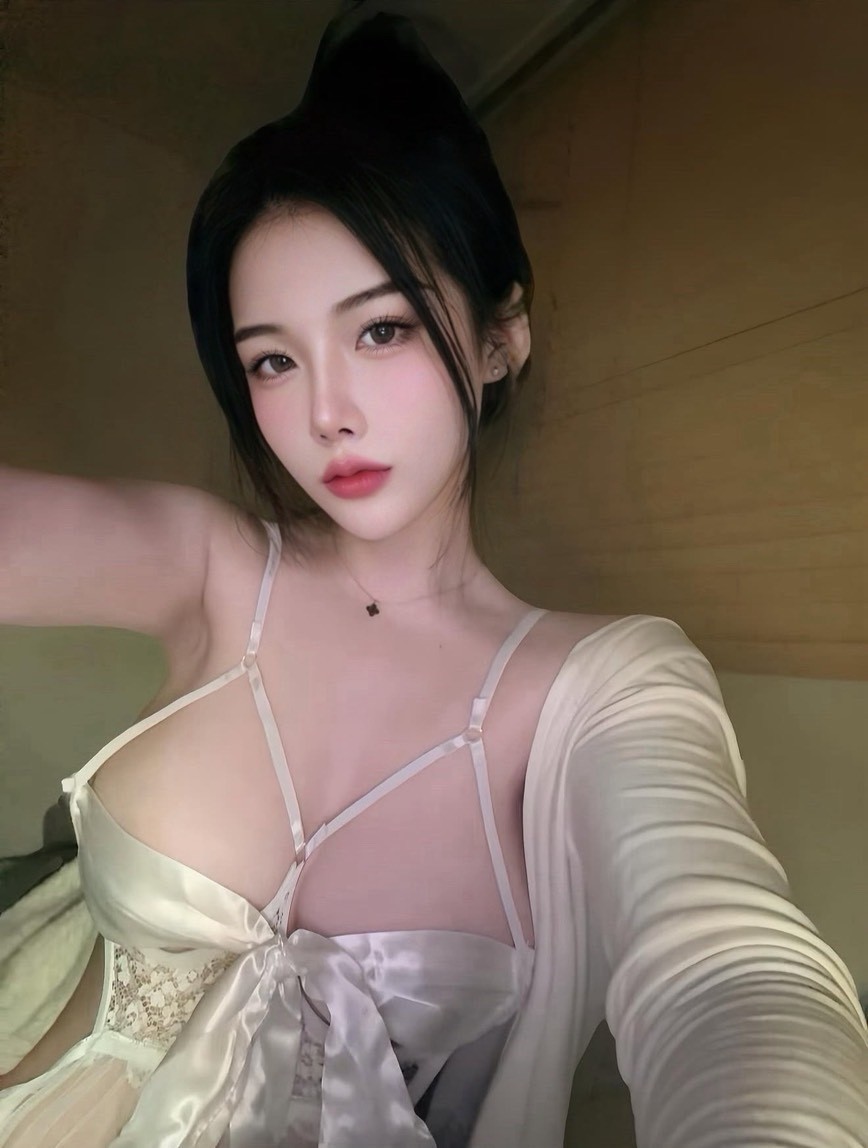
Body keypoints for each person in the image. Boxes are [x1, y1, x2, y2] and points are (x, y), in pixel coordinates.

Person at [1, 7, 867, 1147]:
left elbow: (729, 975)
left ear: (502, 334)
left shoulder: (603, 684)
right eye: (273, 359)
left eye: (382, 331)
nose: (325, 413)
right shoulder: (209, 564)